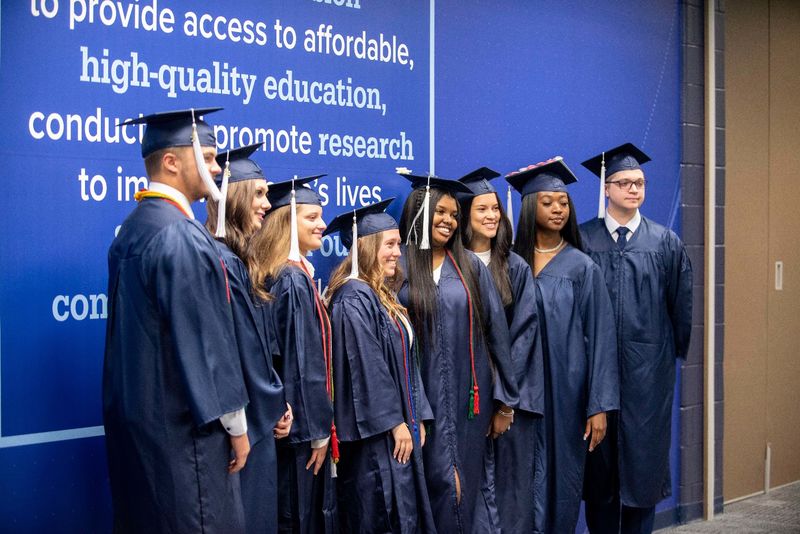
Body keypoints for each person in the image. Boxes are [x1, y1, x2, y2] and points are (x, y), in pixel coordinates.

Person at [103, 108, 250, 533]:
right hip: (187, 440)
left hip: (142, 433)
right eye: (207, 156)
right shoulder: (180, 235)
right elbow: (205, 341)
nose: (218, 167)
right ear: (171, 161)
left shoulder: (133, 230)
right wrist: (236, 426)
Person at [579, 143, 693, 534]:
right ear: (606, 188)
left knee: (642, 472)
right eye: (624, 182)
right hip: (595, 376)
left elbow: (681, 309)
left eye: (640, 182)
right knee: (600, 476)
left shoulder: (664, 243)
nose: (633, 189)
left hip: (648, 378)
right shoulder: (583, 240)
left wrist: (661, 361)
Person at [397, 172, 519, 533]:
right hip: (419, 398)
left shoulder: (469, 267)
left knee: (466, 487)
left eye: (454, 215)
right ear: (420, 214)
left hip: (469, 400)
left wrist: (505, 401)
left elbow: (498, 334)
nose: (449, 221)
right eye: (441, 213)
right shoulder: (399, 267)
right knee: (431, 485)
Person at [507, 157, 619, 534]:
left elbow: (602, 337)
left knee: (563, 479)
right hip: (520, 393)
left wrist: (598, 404)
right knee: (520, 478)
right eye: (548, 202)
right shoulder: (509, 262)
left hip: (566, 395)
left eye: (564, 203)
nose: (558, 209)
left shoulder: (581, 266)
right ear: (528, 207)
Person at [325, 198, 436, 533]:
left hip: (397, 431)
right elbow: (365, 366)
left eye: (398, 244)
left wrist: (417, 416)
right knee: (381, 516)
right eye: (389, 244)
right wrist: (395, 423)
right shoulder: (353, 297)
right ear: (366, 246)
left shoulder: (380, 294)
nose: (397, 253)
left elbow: (405, 361)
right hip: (376, 440)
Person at [205, 143, 293, 534]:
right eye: (258, 193)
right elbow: (230, 353)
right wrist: (272, 402)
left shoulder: (241, 262)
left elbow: (259, 348)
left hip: (256, 420)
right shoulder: (221, 261)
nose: (266, 203)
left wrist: (278, 400)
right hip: (239, 431)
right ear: (235, 196)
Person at [457, 167, 545, 534]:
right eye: (482, 209)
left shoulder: (515, 267)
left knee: (509, 494)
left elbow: (524, 336)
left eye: (495, 208)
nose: (492, 215)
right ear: (465, 215)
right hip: (466, 400)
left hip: (509, 401)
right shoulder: (452, 266)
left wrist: (505, 402)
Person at [247, 175, 337, 533]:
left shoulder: (284, 274)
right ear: (286, 221)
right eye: (312, 217)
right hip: (298, 437)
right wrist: (314, 431)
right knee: (299, 516)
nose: (323, 225)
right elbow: (300, 363)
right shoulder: (291, 279)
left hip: (286, 427)